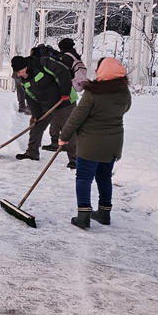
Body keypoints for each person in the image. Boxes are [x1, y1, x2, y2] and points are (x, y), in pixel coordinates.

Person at [59, 57, 132, 229]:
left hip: (91, 144)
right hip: (113, 144)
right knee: (104, 178)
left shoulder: (93, 93)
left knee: (84, 178)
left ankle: (83, 215)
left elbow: (77, 116)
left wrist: (64, 135)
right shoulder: (124, 92)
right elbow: (126, 108)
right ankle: (104, 213)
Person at [12, 53, 78, 168]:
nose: (18, 74)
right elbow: (30, 97)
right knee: (35, 124)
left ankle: (75, 159)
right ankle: (32, 152)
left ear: (25, 67)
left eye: (19, 71)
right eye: (17, 73)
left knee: (68, 129)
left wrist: (65, 92)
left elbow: (63, 72)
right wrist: (37, 114)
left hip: (64, 102)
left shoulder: (43, 64)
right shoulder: (24, 79)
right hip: (46, 104)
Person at [38, 39, 88, 151]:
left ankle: (61, 143)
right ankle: (62, 143)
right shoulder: (72, 55)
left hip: (65, 93)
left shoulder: (66, 58)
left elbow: (57, 66)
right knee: (62, 119)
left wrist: (45, 55)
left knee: (60, 120)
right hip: (69, 93)